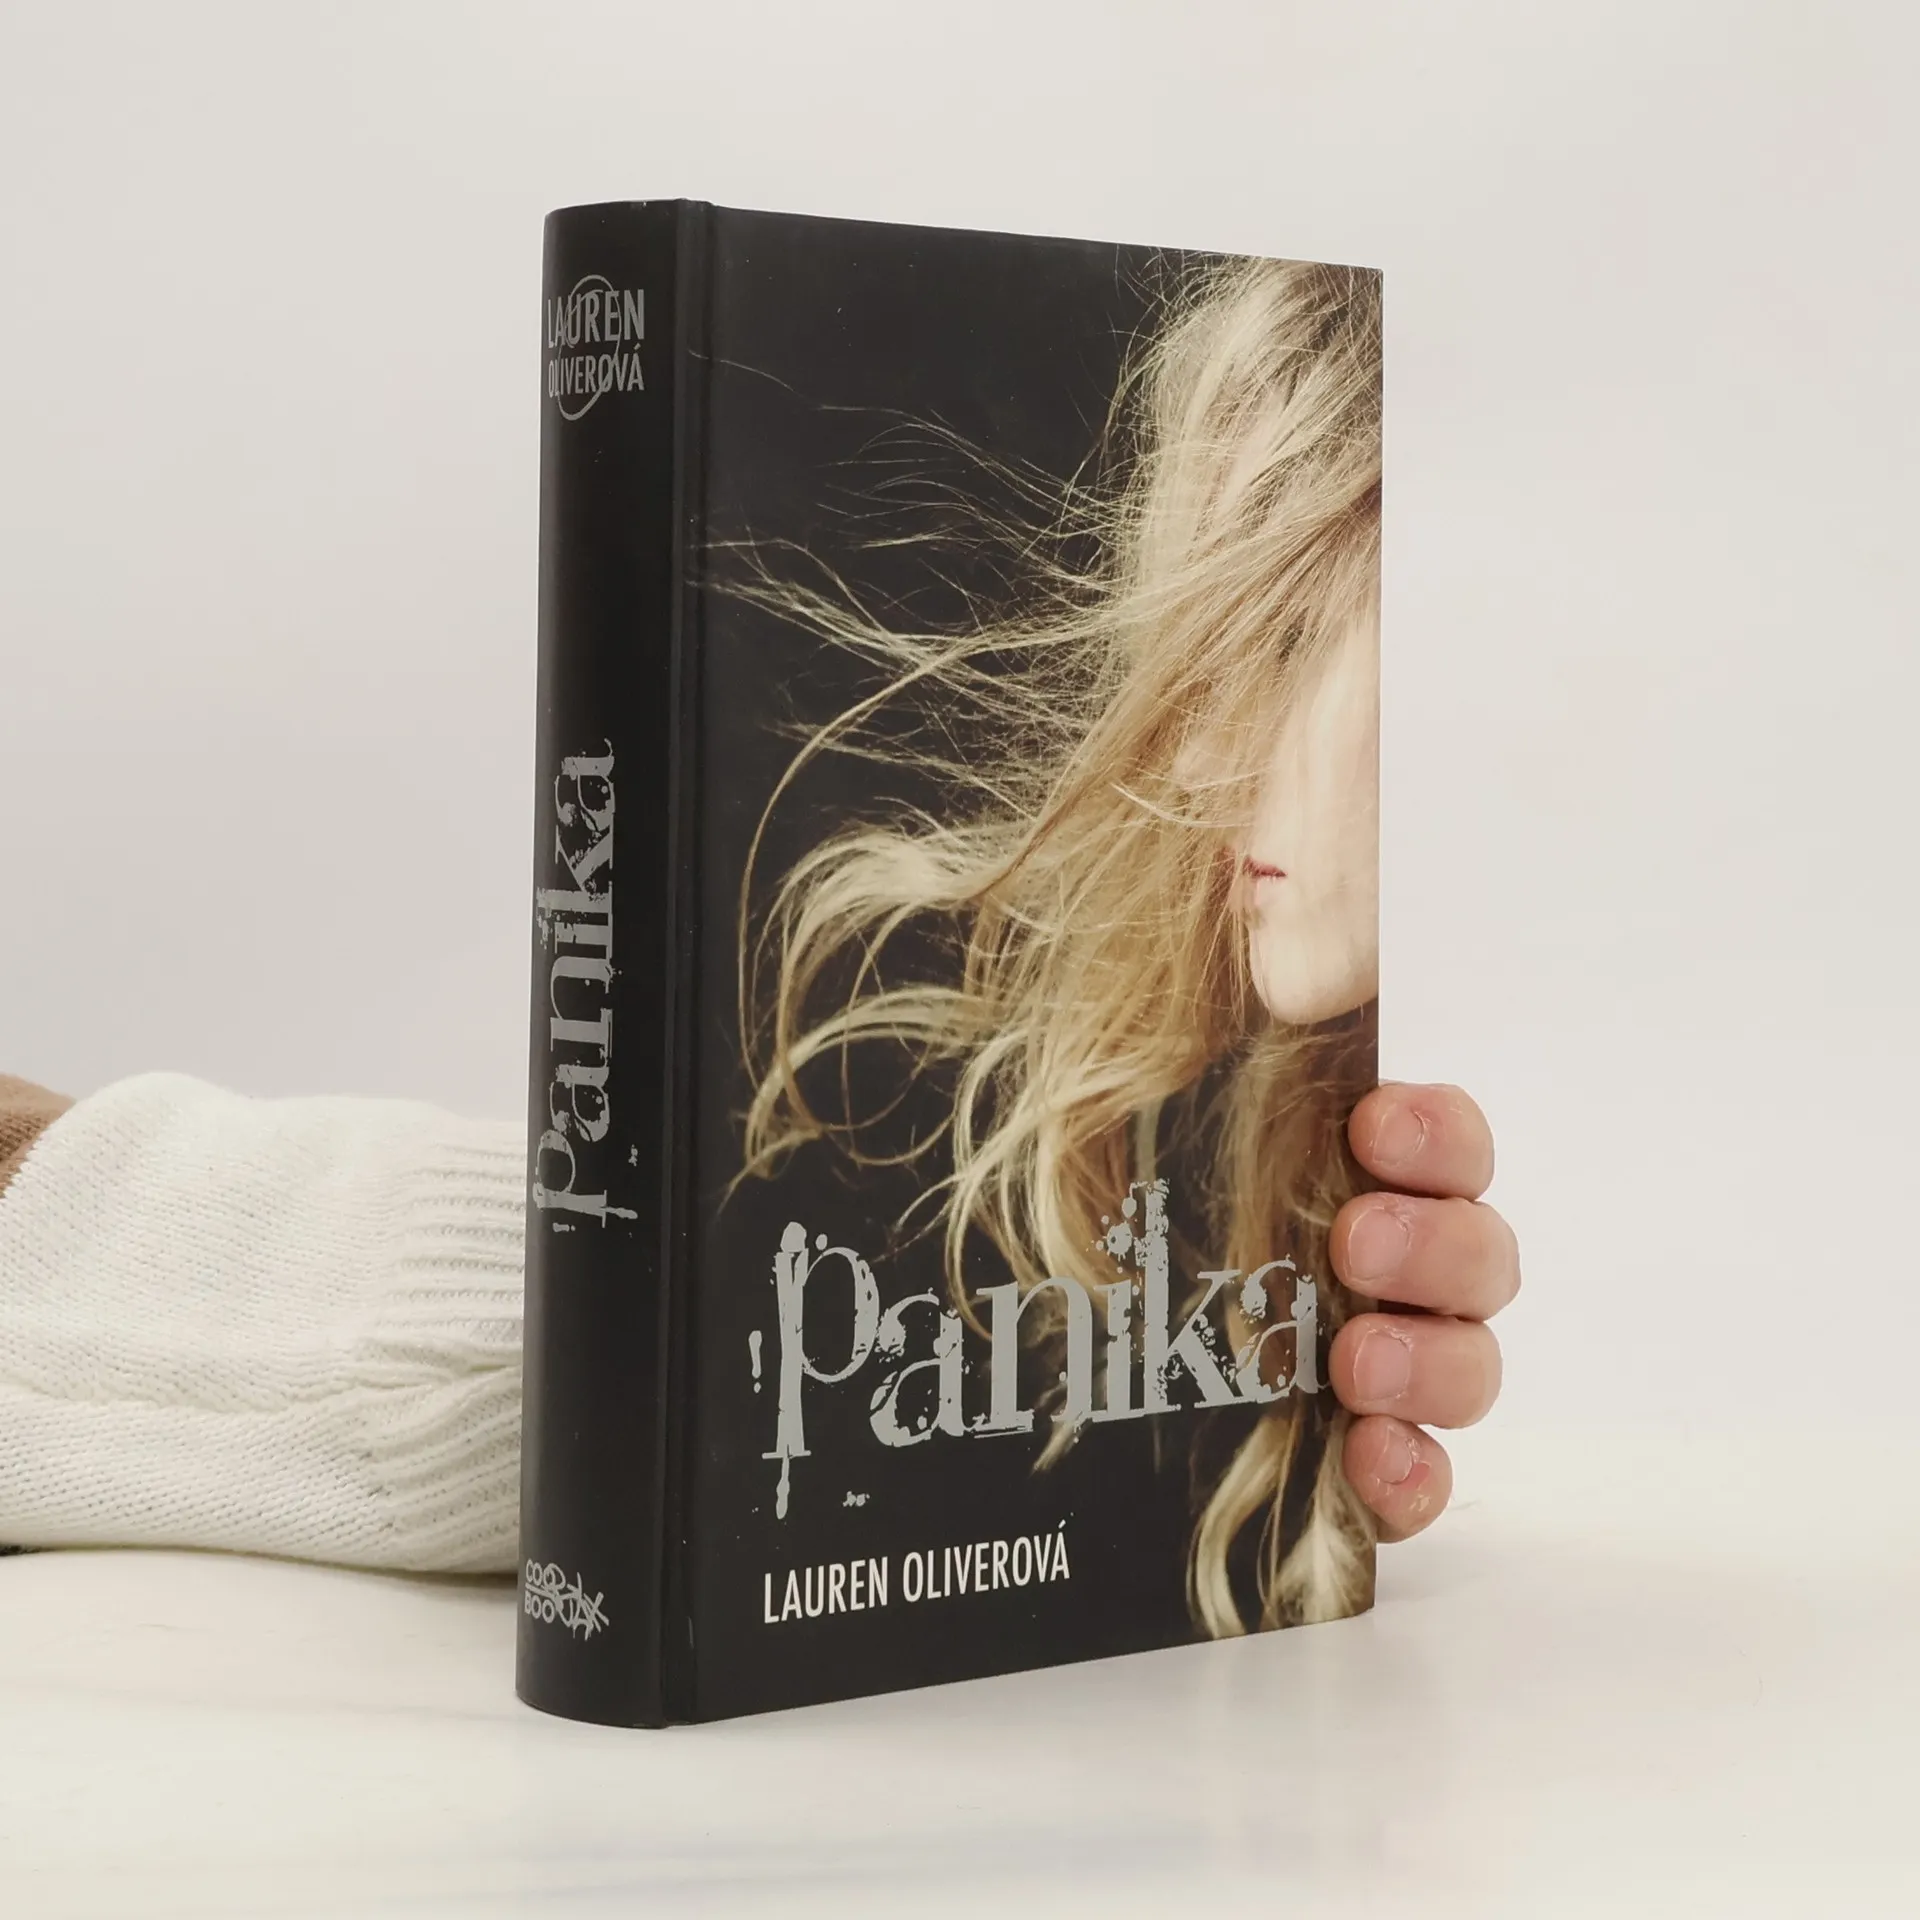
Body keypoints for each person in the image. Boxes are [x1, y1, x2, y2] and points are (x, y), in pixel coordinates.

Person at [0, 260, 1519, 1612]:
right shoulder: (1040, 1150)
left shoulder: (1263, 1158)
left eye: (1275, 641)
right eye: (1200, 662)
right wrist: (620, 1366)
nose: (1192, 766)